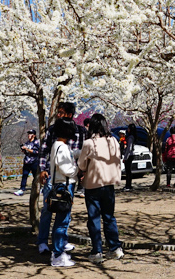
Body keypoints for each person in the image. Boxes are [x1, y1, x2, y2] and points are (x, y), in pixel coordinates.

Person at [37, 101, 86, 254]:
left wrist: (82, 171)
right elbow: (44, 150)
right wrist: (42, 169)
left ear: (70, 115)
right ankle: (43, 242)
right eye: (58, 112)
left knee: (65, 210)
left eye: (61, 112)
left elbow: (81, 154)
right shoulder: (53, 130)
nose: (58, 115)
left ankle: (61, 241)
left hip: (69, 180)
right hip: (53, 176)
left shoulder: (81, 132)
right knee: (47, 209)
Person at [76, 114, 124, 264]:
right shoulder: (114, 141)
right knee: (109, 217)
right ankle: (115, 248)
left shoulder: (89, 143)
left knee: (94, 218)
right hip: (109, 185)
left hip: (93, 185)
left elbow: (81, 165)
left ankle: (97, 251)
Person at [45, 118, 79, 267]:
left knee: (61, 220)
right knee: (62, 221)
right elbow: (66, 169)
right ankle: (58, 254)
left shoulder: (57, 145)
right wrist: (78, 170)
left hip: (59, 184)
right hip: (64, 186)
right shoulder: (62, 147)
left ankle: (59, 253)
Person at [14, 129, 40, 196]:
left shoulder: (36, 142)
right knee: (24, 176)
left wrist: (27, 149)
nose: (29, 135)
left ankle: (38, 189)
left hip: (34, 162)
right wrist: (24, 150)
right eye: (28, 134)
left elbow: (37, 152)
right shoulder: (27, 143)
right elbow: (26, 152)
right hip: (27, 162)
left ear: (34, 135)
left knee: (35, 176)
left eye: (31, 134)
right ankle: (22, 189)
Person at [122, 124, 136, 191]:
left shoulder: (130, 137)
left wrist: (125, 157)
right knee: (128, 171)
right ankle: (128, 185)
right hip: (130, 155)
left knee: (128, 171)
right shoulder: (132, 137)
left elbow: (129, 148)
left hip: (129, 155)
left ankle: (128, 185)